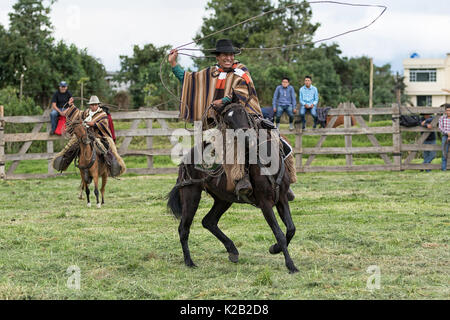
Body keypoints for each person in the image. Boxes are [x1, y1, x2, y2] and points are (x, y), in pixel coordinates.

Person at [168, 39, 296, 201]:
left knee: (278, 139)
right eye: (224, 55)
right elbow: (189, 81)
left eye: (231, 55)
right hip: (223, 122)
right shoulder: (210, 74)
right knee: (234, 145)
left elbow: (243, 90)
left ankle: (286, 183)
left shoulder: (241, 71)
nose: (228, 58)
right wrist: (174, 65)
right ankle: (241, 180)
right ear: (218, 57)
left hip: (247, 116)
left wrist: (225, 100)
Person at [52, 96, 126, 177]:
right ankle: (63, 161)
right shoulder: (86, 112)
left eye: (95, 105)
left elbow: (104, 124)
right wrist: (71, 106)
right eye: (92, 105)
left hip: (99, 136)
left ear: (98, 105)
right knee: (71, 146)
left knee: (108, 149)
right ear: (89, 105)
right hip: (86, 135)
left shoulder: (102, 114)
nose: (93, 106)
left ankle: (113, 166)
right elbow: (77, 113)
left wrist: (94, 124)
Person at [438, 104, 450, 171]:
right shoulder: (442, 118)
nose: (448, 112)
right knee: (444, 153)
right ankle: (444, 169)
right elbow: (440, 128)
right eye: (447, 110)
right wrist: (448, 134)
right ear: (445, 111)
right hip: (445, 136)